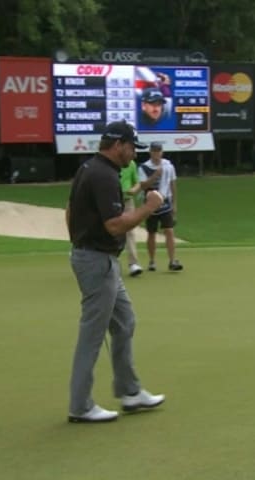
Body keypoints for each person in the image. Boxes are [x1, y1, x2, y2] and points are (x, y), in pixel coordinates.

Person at [64, 120, 166, 423]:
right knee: (92, 334)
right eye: (132, 147)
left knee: (124, 322)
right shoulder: (105, 175)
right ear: (118, 144)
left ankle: (130, 391)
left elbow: (69, 211)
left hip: (96, 258)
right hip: (97, 261)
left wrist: (79, 241)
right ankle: (80, 406)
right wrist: (149, 207)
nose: (133, 154)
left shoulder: (88, 168)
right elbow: (115, 225)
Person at [138, 141, 183, 272]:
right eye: (154, 151)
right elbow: (143, 185)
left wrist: (174, 203)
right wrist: (155, 176)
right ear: (150, 152)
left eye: (158, 151)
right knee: (151, 232)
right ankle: (152, 261)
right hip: (151, 204)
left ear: (161, 152)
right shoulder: (144, 167)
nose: (156, 154)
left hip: (165, 203)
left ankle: (172, 260)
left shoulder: (168, 165)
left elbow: (173, 184)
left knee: (169, 230)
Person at [119, 159, 143, 277]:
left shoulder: (131, 164)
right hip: (110, 201)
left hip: (128, 201)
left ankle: (133, 264)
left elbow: (137, 182)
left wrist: (134, 189)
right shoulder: (110, 163)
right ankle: (108, 264)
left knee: (130, 232)